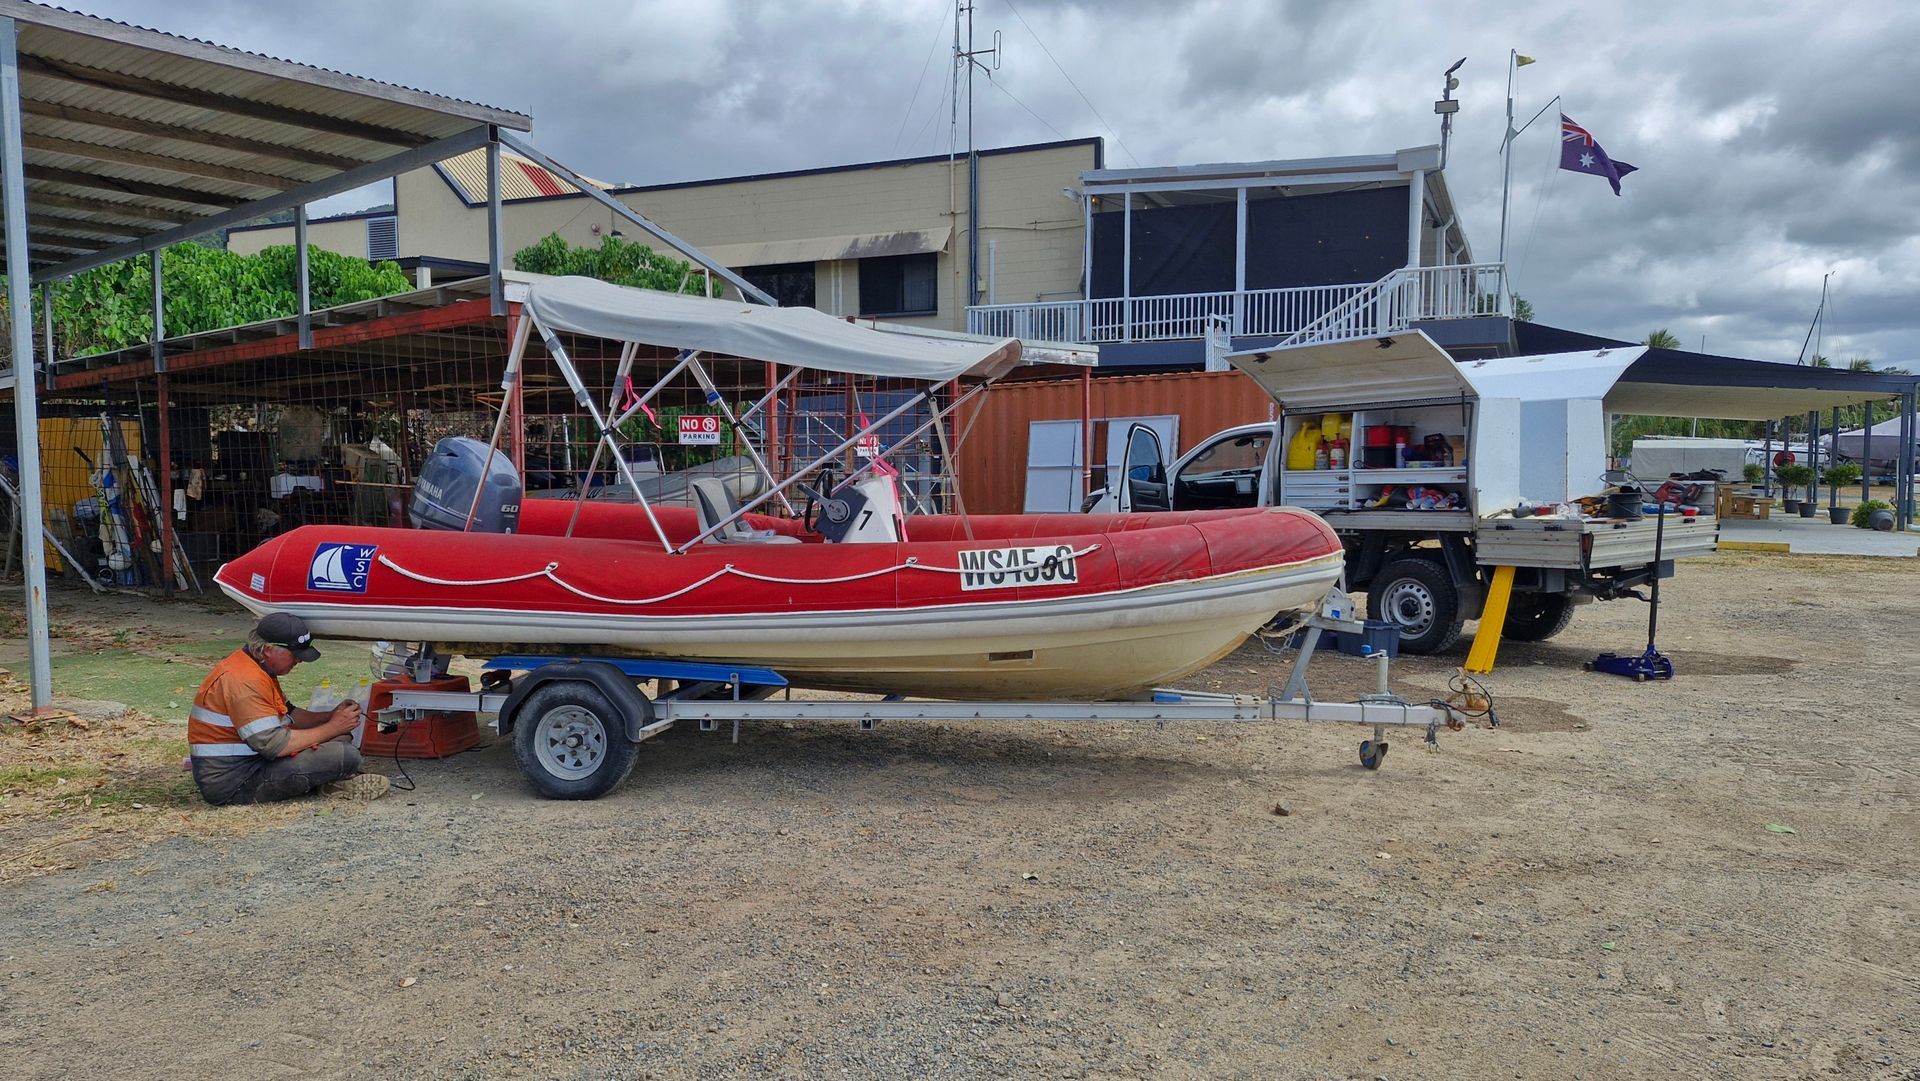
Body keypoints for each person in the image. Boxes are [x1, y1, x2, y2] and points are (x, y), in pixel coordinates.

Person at [187, 613, 389, 805]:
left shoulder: (256, 667)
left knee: (342, 739)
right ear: (268, 650)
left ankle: (329, 783)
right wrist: (333, 727)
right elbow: (274, 745)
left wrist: (331, 716)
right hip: (234, 781)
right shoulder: (245, 680)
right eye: (294, 655)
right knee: (346, 755)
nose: (299, 661)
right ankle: (330, 783)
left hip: (252, 761)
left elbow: (289, 714)